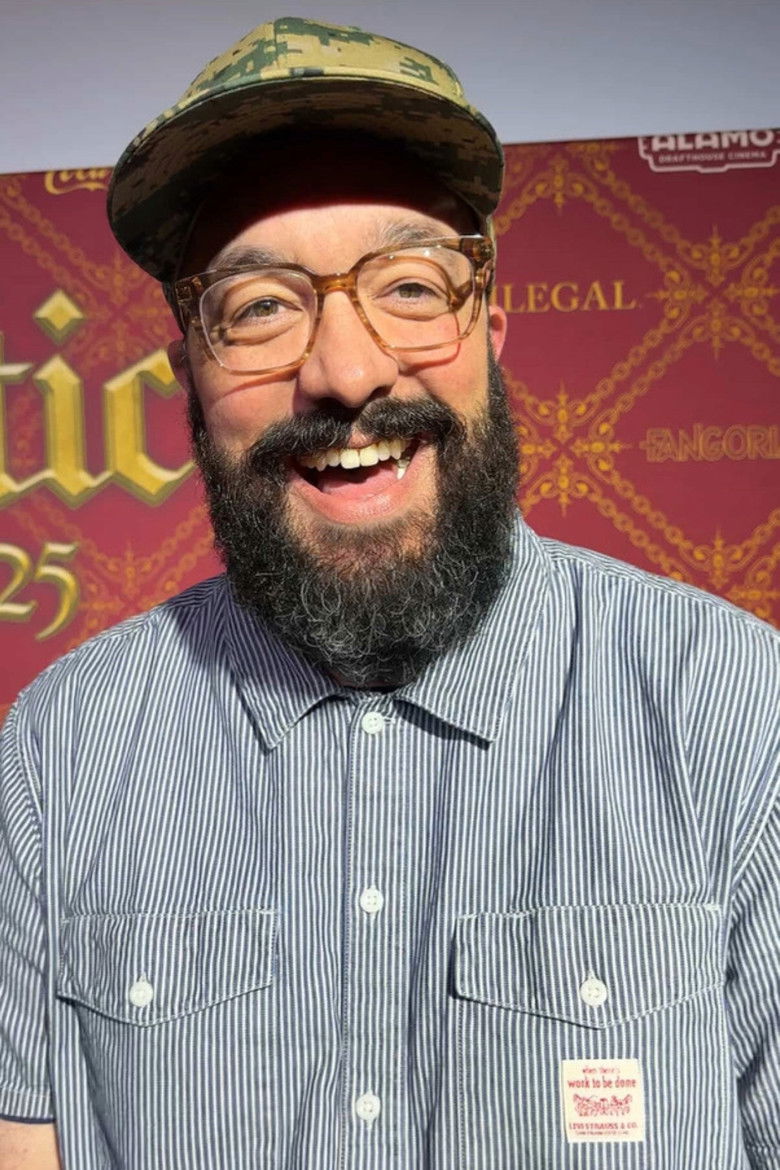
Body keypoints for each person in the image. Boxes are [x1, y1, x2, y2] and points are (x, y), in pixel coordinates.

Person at [0, 16, 777, 1170]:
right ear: (189, 379)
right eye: (260, 308)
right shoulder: (59, 749)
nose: (348, 371)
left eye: (410, 287)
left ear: (490, 333)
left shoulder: (740, 709)